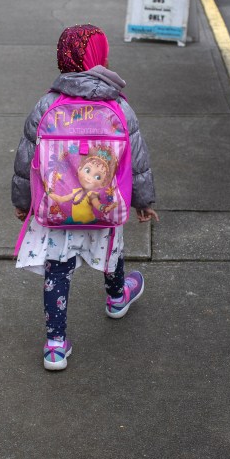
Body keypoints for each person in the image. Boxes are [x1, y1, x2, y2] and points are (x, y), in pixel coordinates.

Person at [12, 24, 158, 371]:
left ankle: (55, 345)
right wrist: (144, 201)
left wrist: (22, 201)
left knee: (57, 269)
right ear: (99, 59)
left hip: (56, 208)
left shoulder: (47, 105)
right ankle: (116, 297)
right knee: (112, 251)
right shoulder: (118, 105)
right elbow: (137, 160)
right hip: (102, 206)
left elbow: (23, 159)